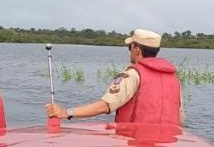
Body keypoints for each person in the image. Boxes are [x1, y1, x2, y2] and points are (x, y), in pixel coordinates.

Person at [45, 28, 185, 126]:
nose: (129, 51)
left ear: (137, 49)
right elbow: (180, 119)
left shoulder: (132, 74)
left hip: (134, 145)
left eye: (130, 47)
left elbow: (104, 106)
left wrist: (65, 112)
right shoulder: (174, 78)